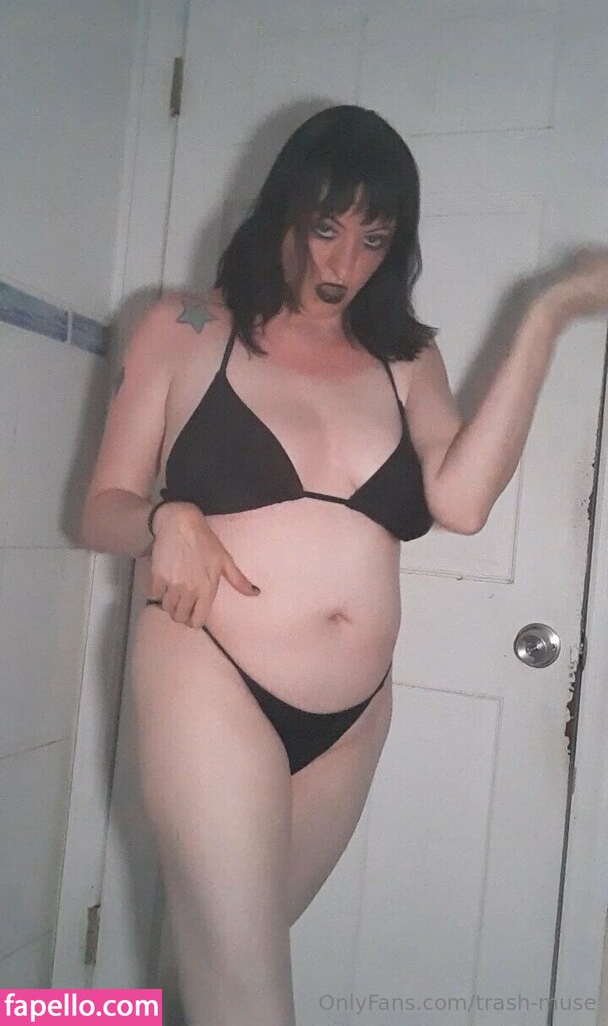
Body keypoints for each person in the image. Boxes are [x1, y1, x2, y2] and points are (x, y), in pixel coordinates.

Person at [81, 105, 608, 1026]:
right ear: (284, 211)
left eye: (373, 239)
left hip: (353, 716)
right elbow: (99, 509)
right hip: (211, 673)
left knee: (216, 970)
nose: (342, 264)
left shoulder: (405, 357)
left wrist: (547, 313)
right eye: (326, 227)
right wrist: (165, 519)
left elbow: (462, 503)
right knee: (249, 999)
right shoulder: (183, 325)